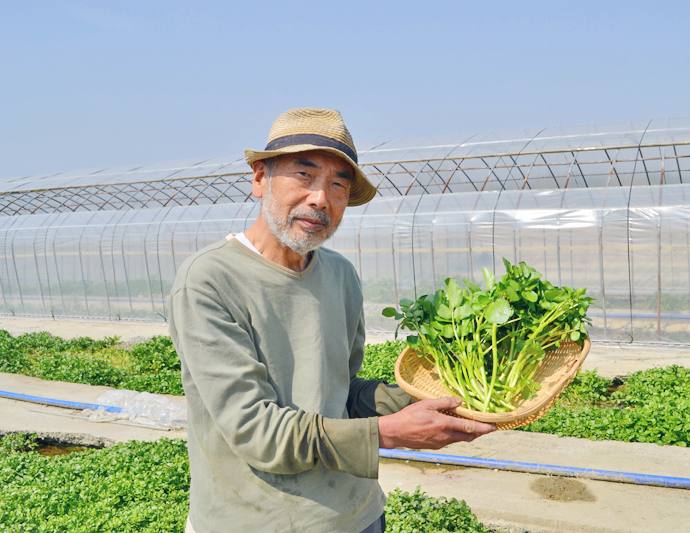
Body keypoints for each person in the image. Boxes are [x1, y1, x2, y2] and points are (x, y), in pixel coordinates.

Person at [169, 108, 496, 533]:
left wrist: (434, 396)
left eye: (338, 185)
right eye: (304, 176)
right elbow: (256, 430)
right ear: (259, 178)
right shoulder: (208, 280)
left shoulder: (339, 275)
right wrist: (389, 433)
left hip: (356, 515)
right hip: (257, 522)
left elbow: (339, 390)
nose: (321, 198)